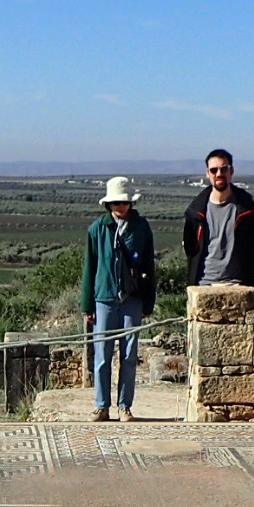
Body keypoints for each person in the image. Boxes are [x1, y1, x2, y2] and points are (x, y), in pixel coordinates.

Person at [79, 176, 155, 422]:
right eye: (115, 203)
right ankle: (102, 405)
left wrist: (148, 301)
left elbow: (149, 266)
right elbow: (89, 268)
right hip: (104, 297)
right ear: (108, 204)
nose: (120, 207)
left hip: (132, 298)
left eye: (123, 203)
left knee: (129, 354)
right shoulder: (97, 229)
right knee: (102, 354)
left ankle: (125, 406)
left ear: (130, 203)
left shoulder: (141, 228)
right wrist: (86, 304)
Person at [183, 149, 254, 287]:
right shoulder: (196, 212)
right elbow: (190, 249)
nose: (219, 174)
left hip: (238, 285)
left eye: (224, 169)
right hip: (203, 285)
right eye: (214, 170)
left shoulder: (248, 210)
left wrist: (246, 274)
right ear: (207, 173)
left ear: (231, 171)